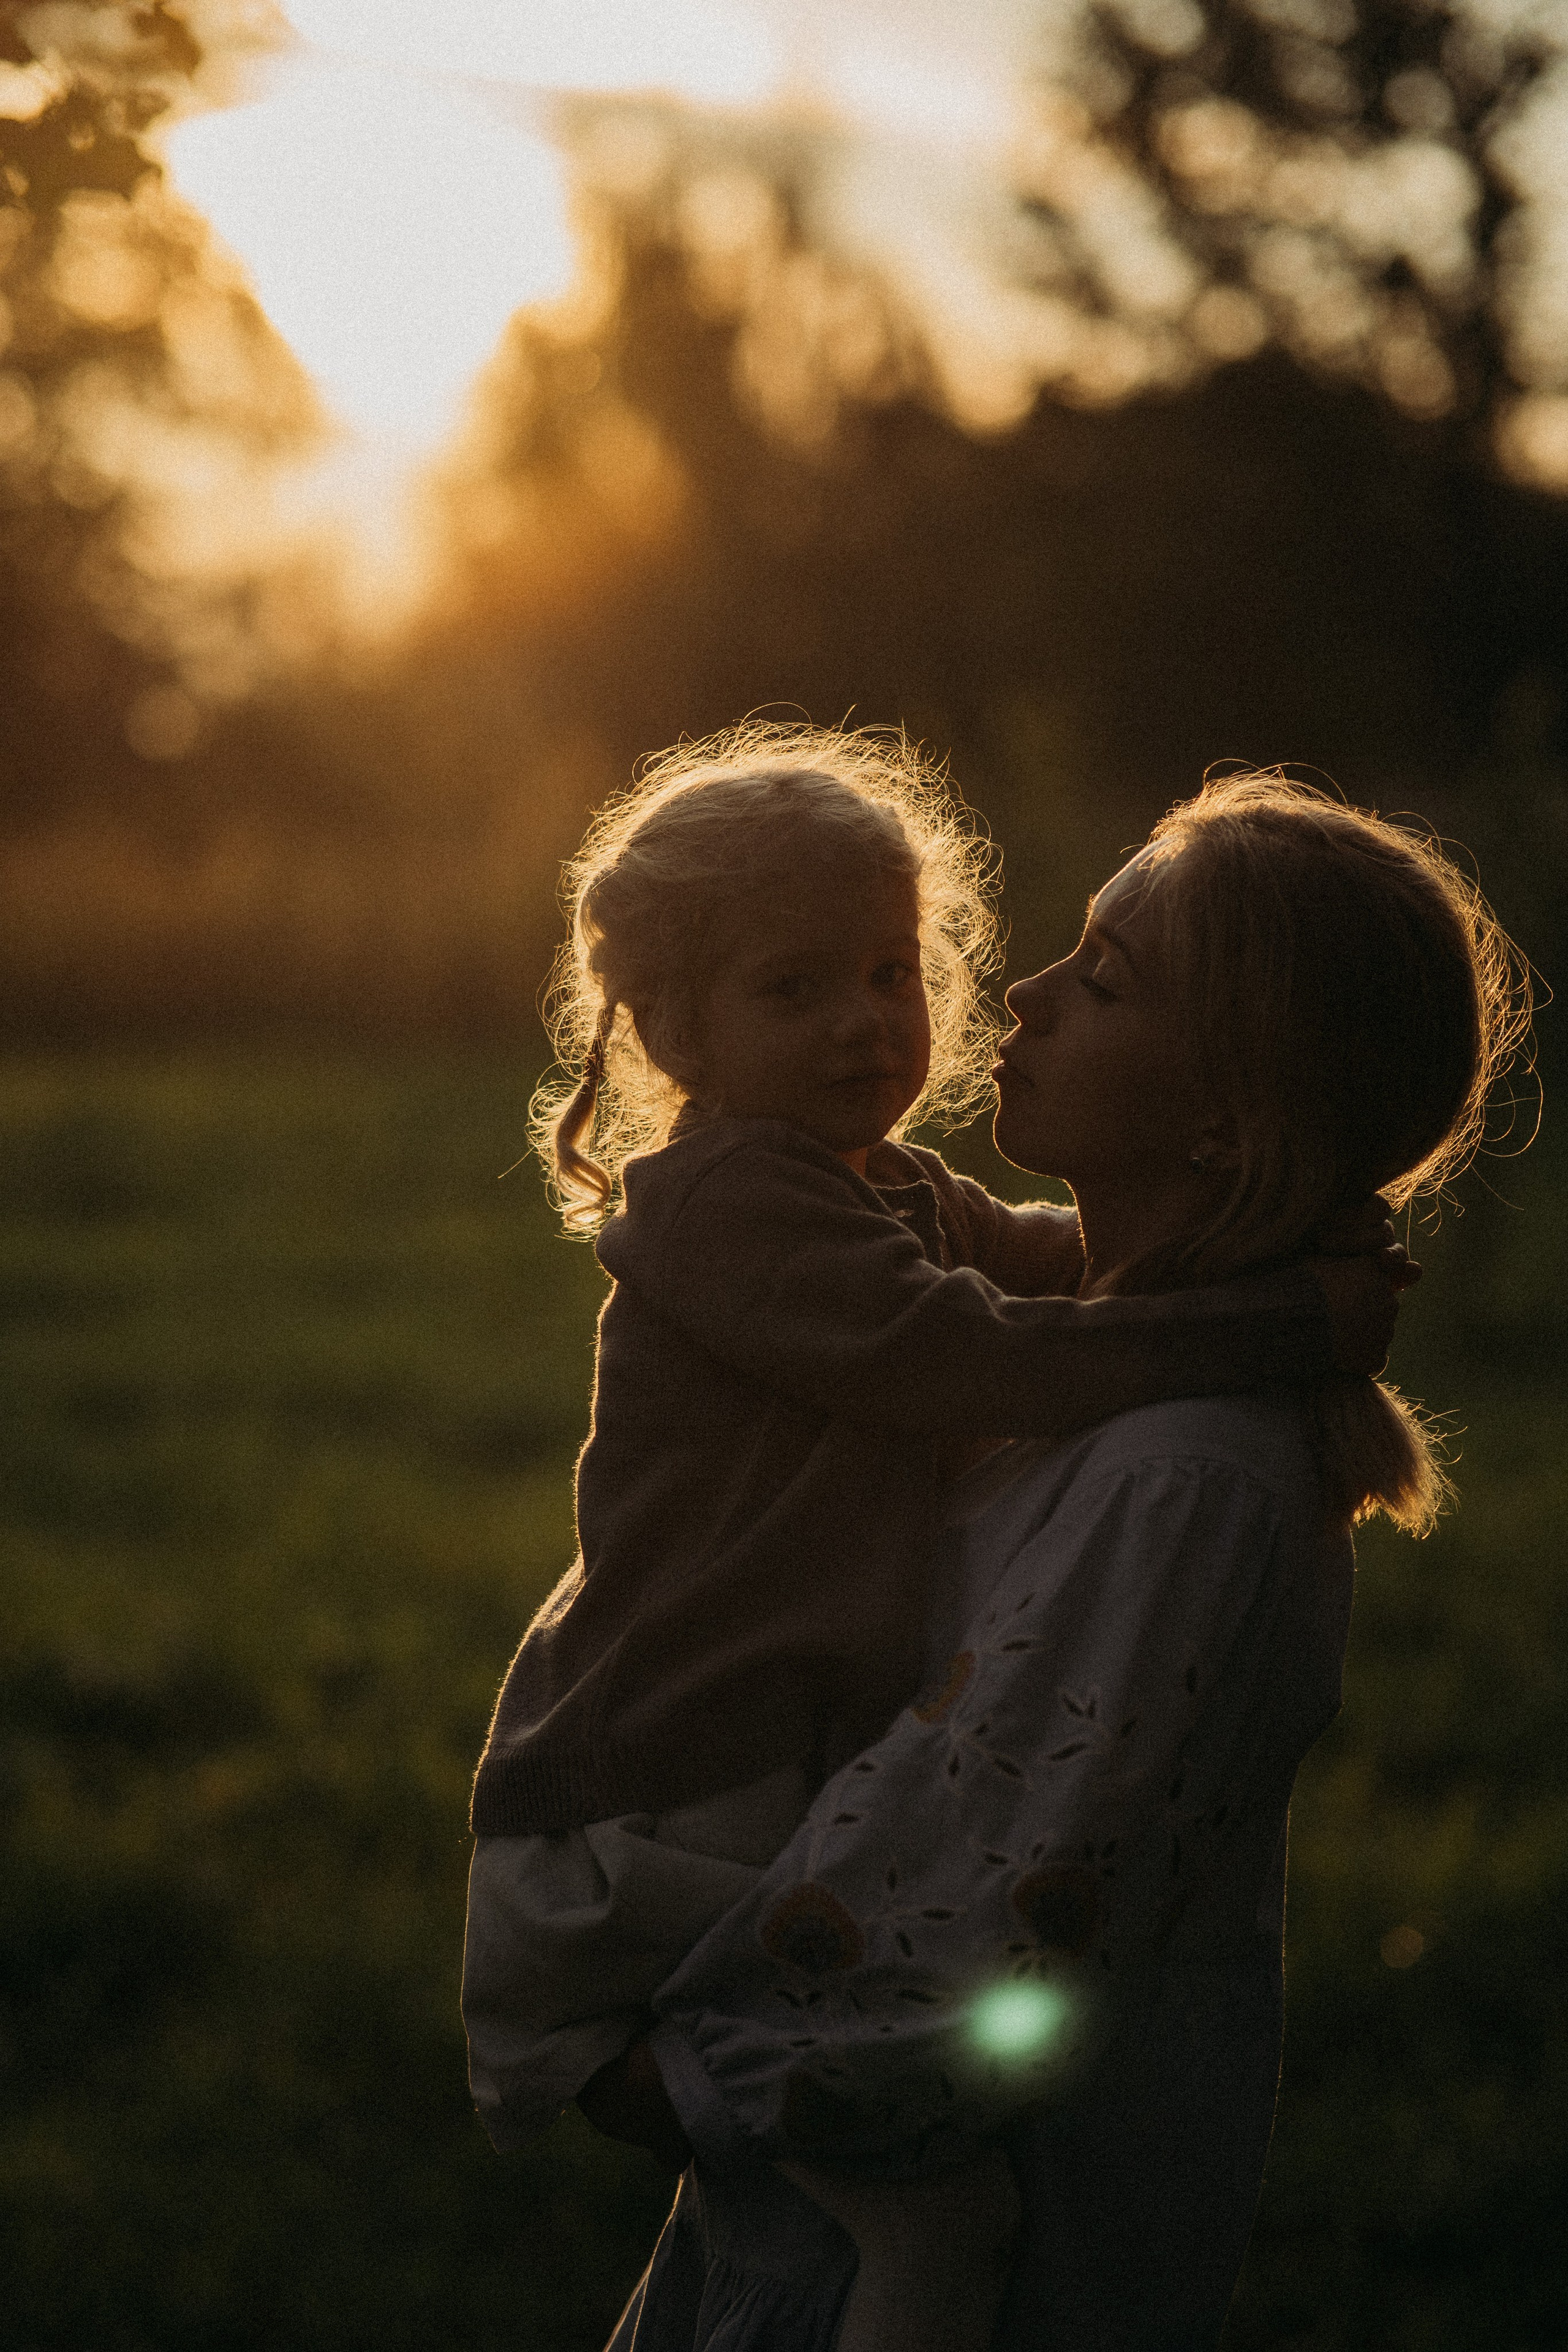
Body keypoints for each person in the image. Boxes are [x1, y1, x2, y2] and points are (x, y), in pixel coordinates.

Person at [461, 738, 1404, 2351]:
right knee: (890, 2204)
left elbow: (1051, 1277)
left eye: (893, 972)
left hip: (761, 1752)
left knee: (913, 2214)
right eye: (796, 987)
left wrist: (1260, 1283)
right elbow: (979, 1349)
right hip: (674, 1761)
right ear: (673, 1028)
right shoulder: (728, 1205)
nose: (867, 1021)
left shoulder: (877, 1190)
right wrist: (1269, 1313)